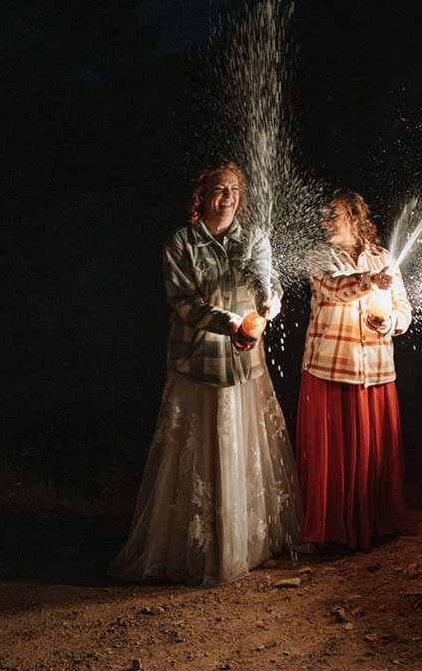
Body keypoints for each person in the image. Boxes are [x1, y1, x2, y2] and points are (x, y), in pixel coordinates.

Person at [109, 160, 304, 586]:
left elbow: (263, 282)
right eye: (220, 188)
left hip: (244, 365)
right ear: (201, 196)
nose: (229, 196)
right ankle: (200, 549)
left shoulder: (253, 238)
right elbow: (184, 302)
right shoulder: (181, 244)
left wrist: (270, 302)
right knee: (201, 452)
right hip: (197, 362)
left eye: (234, 189)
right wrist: (229, 323)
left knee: (239, 446)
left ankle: (243, 545)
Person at [294, 191, 413, 551]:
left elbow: (405, 310)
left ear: (356, 219)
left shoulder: (384, 258)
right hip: (331, 368)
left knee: (374, 454)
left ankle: (377, 525)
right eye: (324, 216)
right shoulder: (318, 257)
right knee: (333, 459)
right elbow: (335, 288)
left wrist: (391, 320)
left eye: (334, 215)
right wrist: (371, 283)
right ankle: (331, 533)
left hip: (376, 372)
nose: (325, 222)